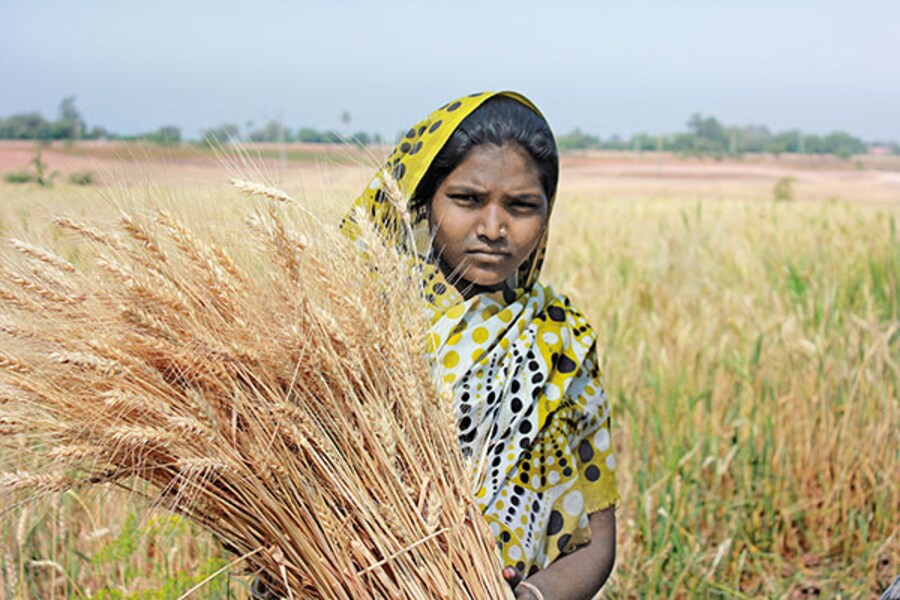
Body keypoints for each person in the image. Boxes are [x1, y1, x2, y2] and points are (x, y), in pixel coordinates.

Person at [342, 91, 619, 600]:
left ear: (546, 213)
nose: (493, 229)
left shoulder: (561, 336)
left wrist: (525, 597)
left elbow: (596, 540)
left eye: (521, 206)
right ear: (423, 202)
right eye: (468, 200)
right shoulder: (358, 324)